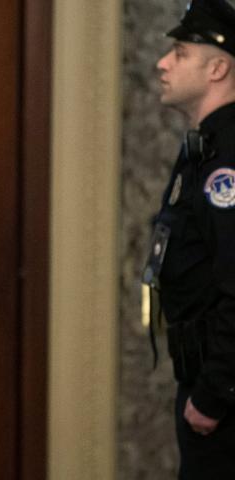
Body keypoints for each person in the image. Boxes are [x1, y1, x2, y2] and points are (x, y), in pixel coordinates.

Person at [148, 0, 235, 477]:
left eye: (180, 52)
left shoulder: (228, 159)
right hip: (204, 376)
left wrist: (215, 392)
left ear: (217, 67)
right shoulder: (204, 148)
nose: (163, 63)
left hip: (222, 395)